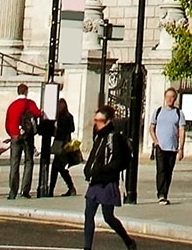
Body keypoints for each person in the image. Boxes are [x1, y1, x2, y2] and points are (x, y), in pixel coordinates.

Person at [84, 105, 139, 250]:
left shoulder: (113, 137)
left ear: (107, 121)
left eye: (99, 120)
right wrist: (88, 170)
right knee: (88, 215)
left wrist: (102, 170)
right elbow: (94, 155)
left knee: (108, 217)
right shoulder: (98, 136)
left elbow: (118, 161)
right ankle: (87, 247)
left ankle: (128, 241)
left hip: (107, 182)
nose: (96, 123)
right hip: (95, 181)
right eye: (95, 120)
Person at [7, 86, 45, 198]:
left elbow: (7, 122)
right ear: (26, 92)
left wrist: (12, 133)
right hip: (27, 137)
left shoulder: (12, 105)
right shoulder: (29, 103)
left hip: (15, 136)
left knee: (14, 163)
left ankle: (12, 191)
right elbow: (38, 114)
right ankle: (25, 190)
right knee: (28, 161)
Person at [52, 99, 82, 197]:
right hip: (63, 144)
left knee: (57, 168)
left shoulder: (62, 117)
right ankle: (70, 188)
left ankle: (68, 188)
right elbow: (72, 129)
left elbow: (69, 129)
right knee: (59, 168)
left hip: (62, 144)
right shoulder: (68, 116)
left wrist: (57, 127)